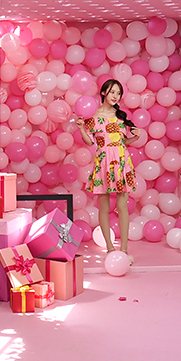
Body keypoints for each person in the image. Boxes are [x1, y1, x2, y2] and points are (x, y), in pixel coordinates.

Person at [74, 79, 139, 260]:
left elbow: (123, 141)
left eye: (118, 93)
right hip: (103, 162)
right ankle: (110, 249)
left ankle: (124, 250)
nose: (115, 96)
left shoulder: (121, 116)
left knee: (122, 206)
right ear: (103, 93)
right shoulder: (94, 116)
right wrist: (81, 128)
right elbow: (90, 142)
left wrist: (135, 137)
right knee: (104, 207)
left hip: (122, 161)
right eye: (112, 92)